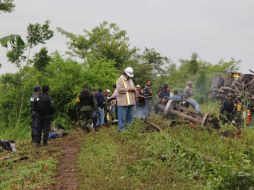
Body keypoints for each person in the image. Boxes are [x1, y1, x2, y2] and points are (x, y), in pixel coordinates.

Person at [116, 67, 136, 132]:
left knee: (130, 118)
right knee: (122, 118)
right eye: (128, 75)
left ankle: (128, 130)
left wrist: (134, 89)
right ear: (125, 74)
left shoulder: (130, 80)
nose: (129, 77)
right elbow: (119, 89)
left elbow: (134, 88)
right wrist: (128, 89)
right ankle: (121, 130)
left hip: (130, 102)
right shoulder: (119, 80)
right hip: (123, 103)